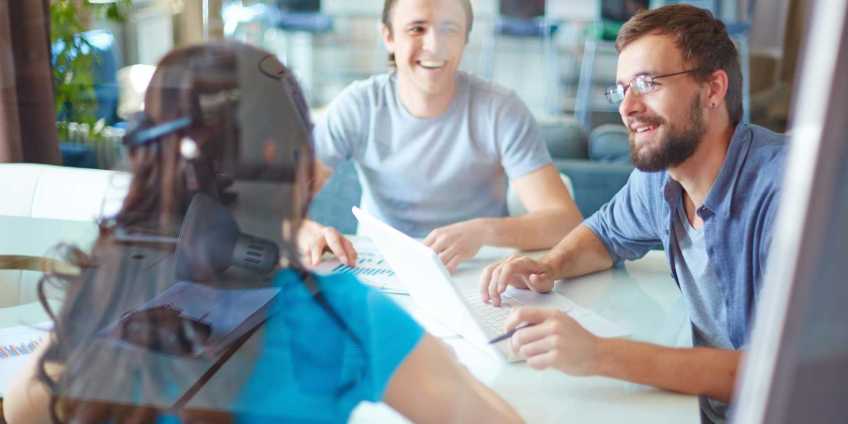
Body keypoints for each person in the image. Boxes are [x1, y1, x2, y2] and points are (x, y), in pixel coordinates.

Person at [3, 41, 522, 423]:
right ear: (289, 165)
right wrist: (441, 363)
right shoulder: (344, 315)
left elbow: (23, 411)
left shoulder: (105, 292)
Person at [479, 5, 786, 423]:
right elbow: (604, 234)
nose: (627, 107)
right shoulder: (662, 178)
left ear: (713, 89)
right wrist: (548, 266)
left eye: (647, 83)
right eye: (622, 89)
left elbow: (776, 371)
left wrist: (599, 354)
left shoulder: (786, 194)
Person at [300, 0, 582, 272]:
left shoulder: (500, 109)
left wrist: (484, 231)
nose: (434, 46)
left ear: (465, 39)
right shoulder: (358, 106)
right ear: (388, 36)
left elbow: (564, 221)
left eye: (449, 29)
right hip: (380, 270)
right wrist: (304, 231)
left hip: (476, 273)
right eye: (417, 29)